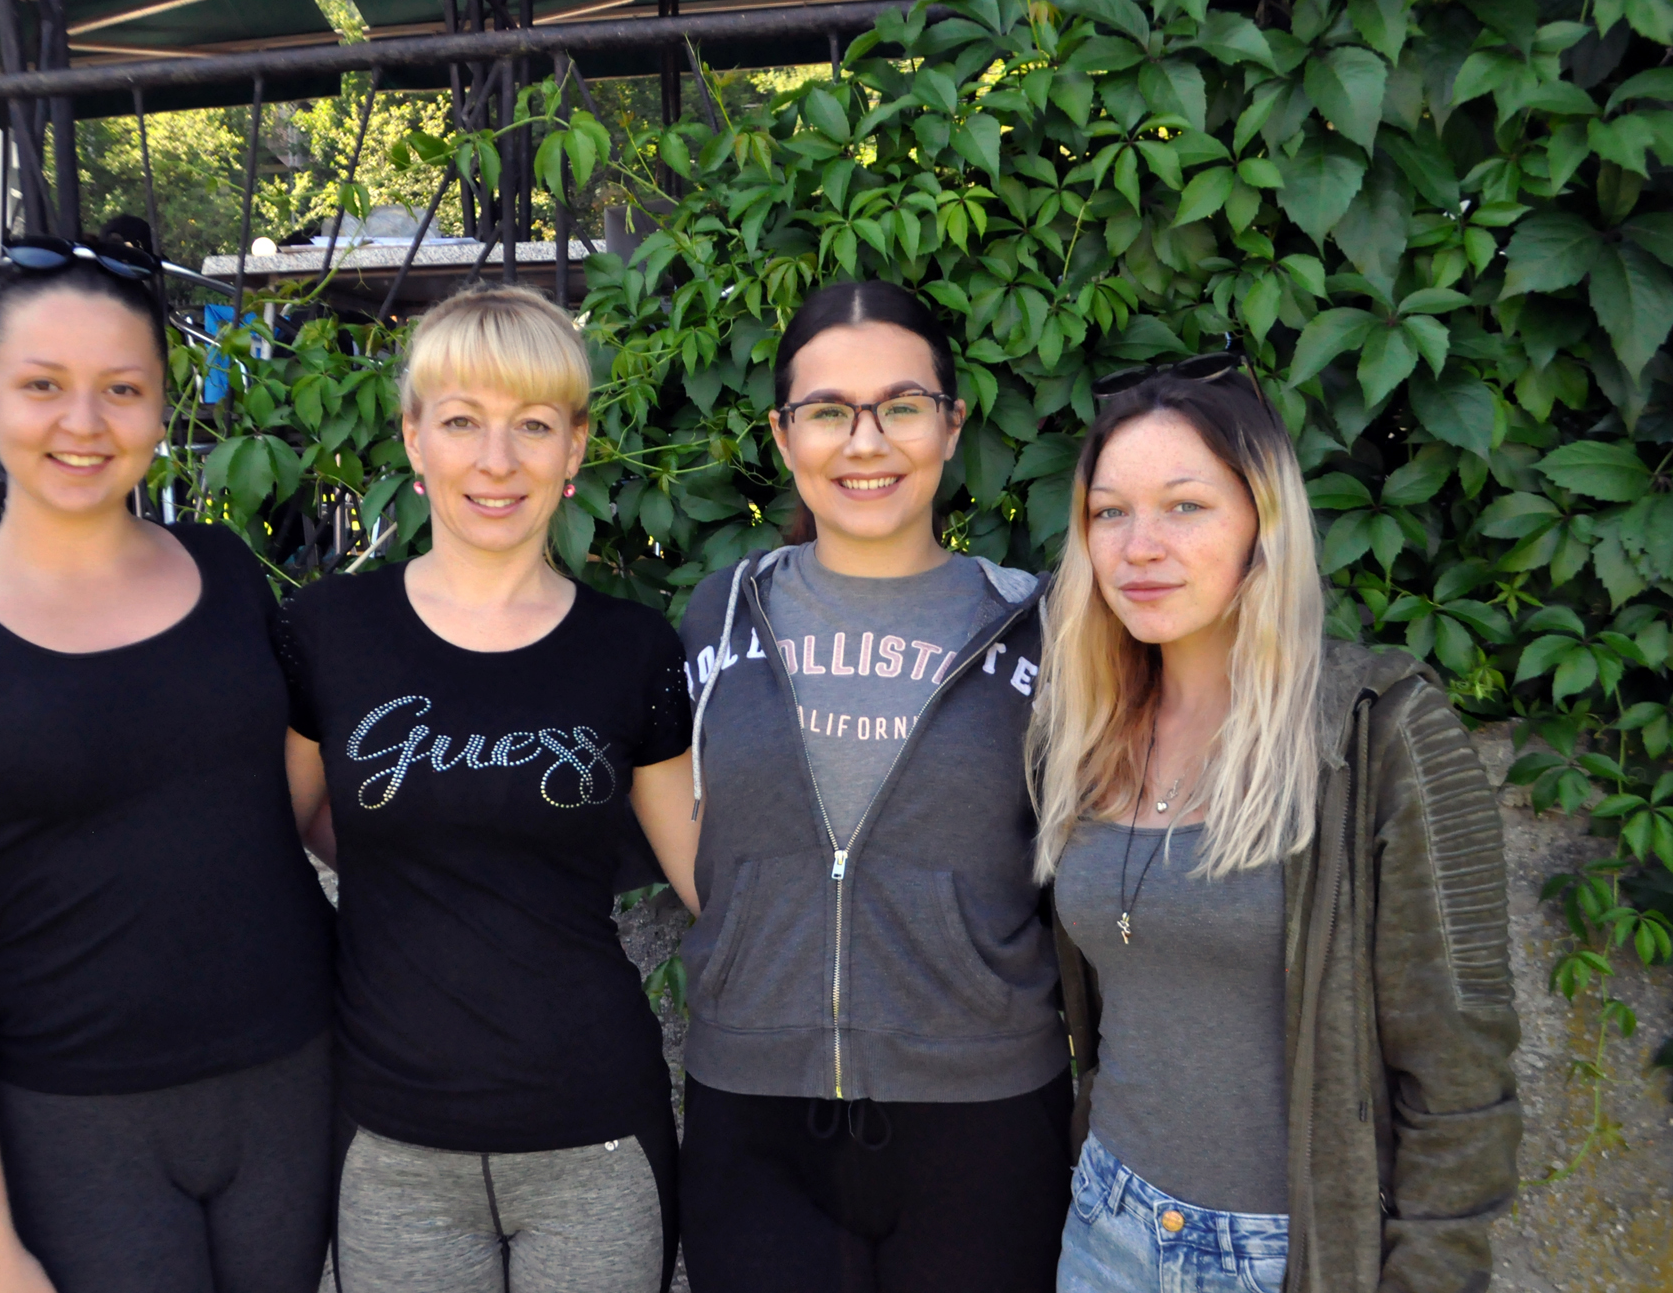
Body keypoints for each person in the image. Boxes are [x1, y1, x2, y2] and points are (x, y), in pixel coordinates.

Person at [0, 239, 337, 1293]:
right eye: (41, 386)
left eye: (121, 389)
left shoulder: (231, 575)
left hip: (296, 1079)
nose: (83, 422)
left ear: (161, 405)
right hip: (77, 1119)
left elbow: (294, 808)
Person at [1029, 357, 1521, 1292]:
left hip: (1282, 1255)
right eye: (1109, 512)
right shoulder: (1085, 733)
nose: (1139, 547)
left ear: (1265, 524)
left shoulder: (1377, 732)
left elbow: (1461, 1072)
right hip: (1102, 1225)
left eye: (1185, 506)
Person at [274, 284, 698, 1292]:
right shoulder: (327, 632)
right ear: (413, 438)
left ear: (575, 447)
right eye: (462, 421)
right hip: (391, 1142)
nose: (496, 460)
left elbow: (710, 876)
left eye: (533, 425)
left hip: (596, 1138)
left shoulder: (632, 650)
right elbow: (261, 835)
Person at [675, 280, 1073, 1292]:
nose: (866, 442)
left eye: (901, 405)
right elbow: (690, 836)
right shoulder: (719, 614)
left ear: (952, 423)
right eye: (827, 411)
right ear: (782, 435)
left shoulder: (1042, 626)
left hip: (983, 1112)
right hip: (753, 1113)